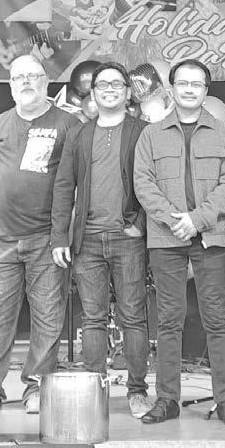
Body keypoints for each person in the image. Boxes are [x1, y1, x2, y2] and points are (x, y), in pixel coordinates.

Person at [0, 54, 79, 414]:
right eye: (19, 77)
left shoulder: (69, 124)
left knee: (47, 318)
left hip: (47, 239)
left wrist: (65, 234)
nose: (26, 82)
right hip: (2, 240)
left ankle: (37, 388)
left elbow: (78, 184)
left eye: (34, 76)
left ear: (46, 82)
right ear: (11, 85)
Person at [133, 59, 225, 426]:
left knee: (216, 319)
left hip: (210, 235)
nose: (189, 89)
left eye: (197, 84)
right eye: (182, 83)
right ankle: (167, 400)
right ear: (171, 88)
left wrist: (196, 220)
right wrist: (174, 220)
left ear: (206, 90)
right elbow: (143, 184)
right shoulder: (151, 135)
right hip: (166, 237)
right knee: (168, 320)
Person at [50, 62, 152, 418]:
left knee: (133, 317)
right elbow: (64, 186)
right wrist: (59, 236)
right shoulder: (79, 134)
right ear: (92, 93)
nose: (110, 89)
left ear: (127, 92)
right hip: (87, 241)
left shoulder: (143, 132)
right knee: (92, 318)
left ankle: (137, 391)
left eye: (117, 84)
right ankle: (95, 391)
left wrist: (140, 225)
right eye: (102, 84)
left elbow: (153, 184)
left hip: (128, 238)